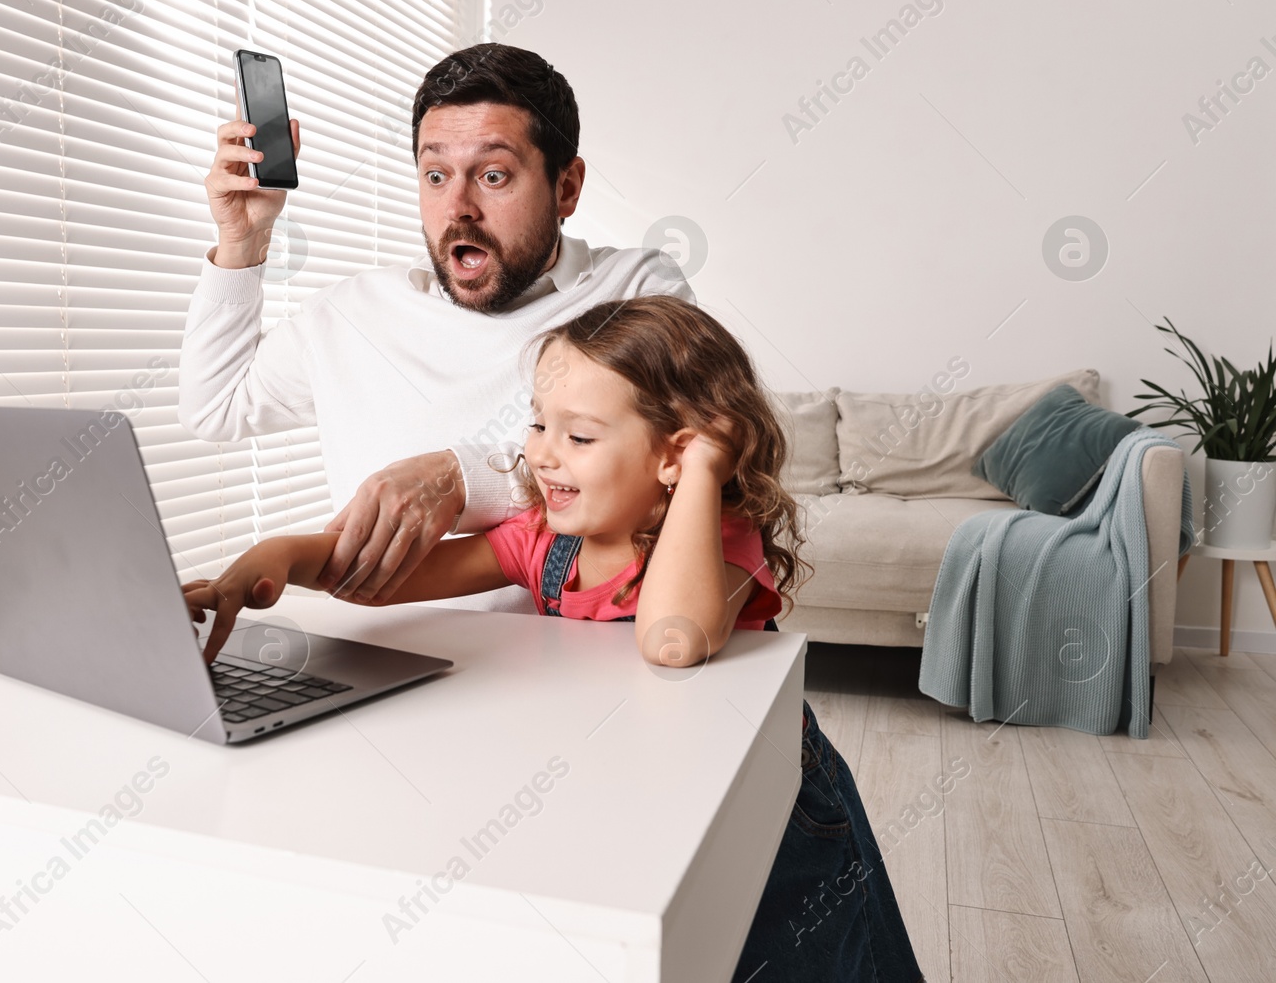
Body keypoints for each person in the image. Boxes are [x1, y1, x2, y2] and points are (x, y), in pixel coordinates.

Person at [184, 295, 923, 982]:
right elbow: (386, 578)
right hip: (645, 792)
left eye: (579, 435)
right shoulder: (543, 541)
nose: (542, 454)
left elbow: (672, 639)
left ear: (674, 454)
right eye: (538, 422)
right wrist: (282, 554)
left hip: (771, 805)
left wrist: (700, 467)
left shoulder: (721, 542)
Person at [179, 43, 693, 615]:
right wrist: (243, 241)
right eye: (436, 174)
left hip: (561, 663)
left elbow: (667, 451)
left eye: (494, 175)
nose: (458, 208)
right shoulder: (352, 311)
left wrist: (458, 478)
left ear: (566, 187)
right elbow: (215, 406)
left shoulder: (633, 290)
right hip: (380, 653)